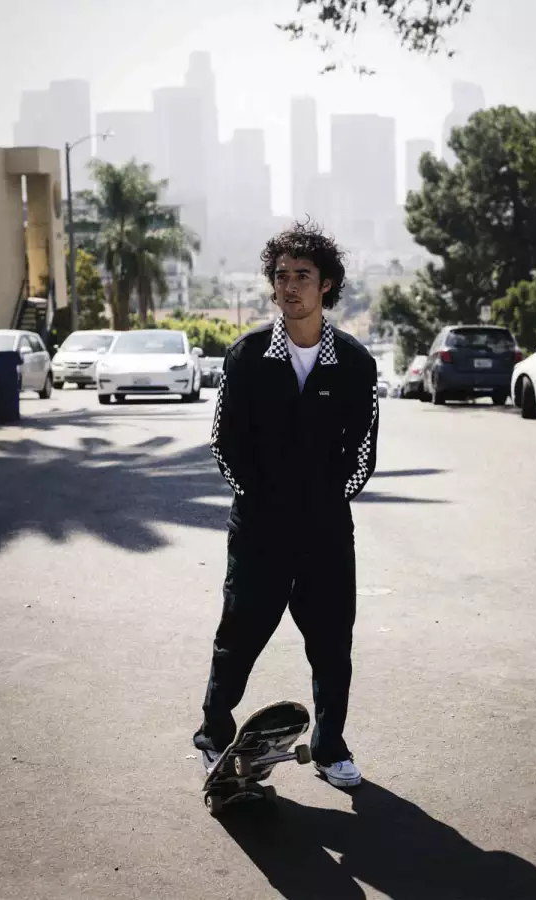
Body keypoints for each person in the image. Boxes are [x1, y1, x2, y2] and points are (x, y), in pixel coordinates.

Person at [193, 221, 379, 788]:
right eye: (281, 275)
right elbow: (224, 446)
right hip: (259, 530)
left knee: (332, 644)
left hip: (325, 532)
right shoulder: (247, 357)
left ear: (327, 284)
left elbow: (362, 453)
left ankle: (330, 746)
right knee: (238, 637)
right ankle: (214, 736)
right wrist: (261, 502)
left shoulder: (354, 363)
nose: (289, 286)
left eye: (302, 275)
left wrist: (323, 504)